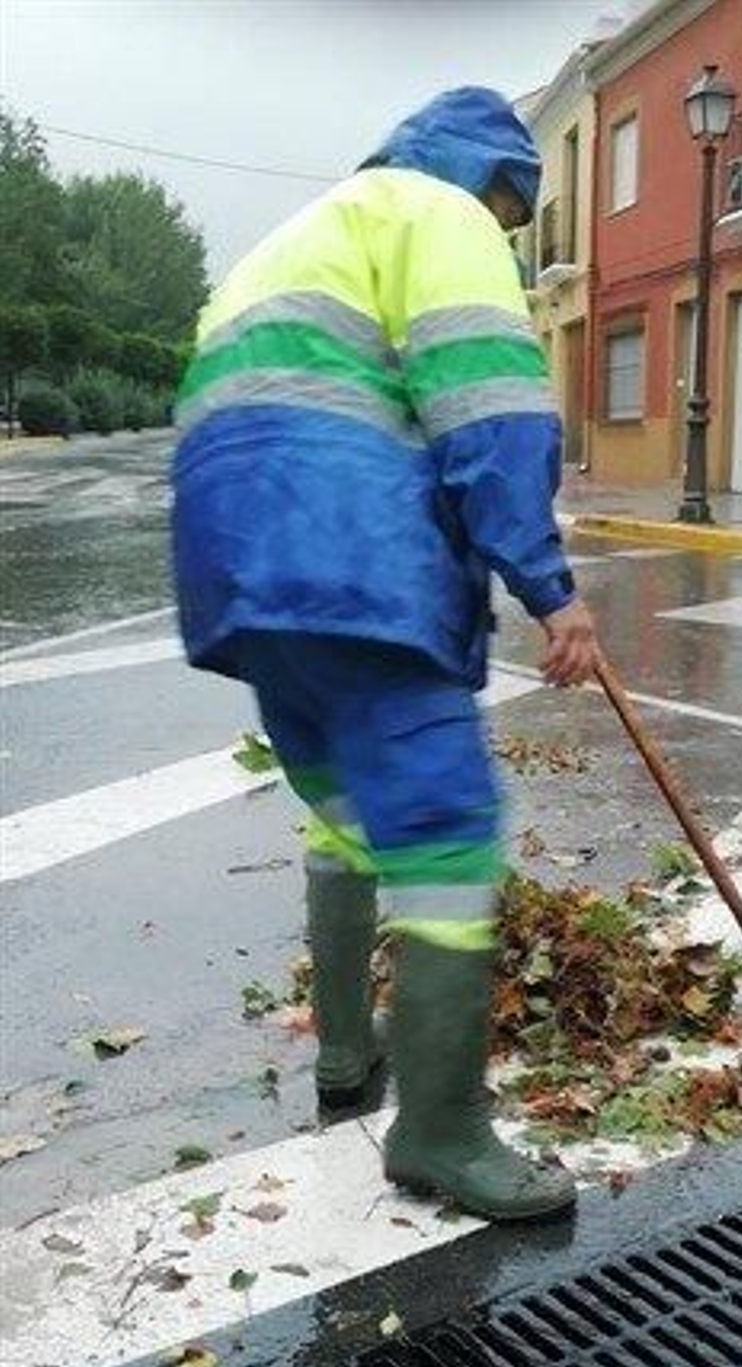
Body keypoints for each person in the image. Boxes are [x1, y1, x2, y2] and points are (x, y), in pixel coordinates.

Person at [170, 87, 597, 1222]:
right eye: (513, 207)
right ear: (491, 179)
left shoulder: (290, 242)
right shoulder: (437, 216)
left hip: (244, 578)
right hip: (354, 558)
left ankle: (348, 1058)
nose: (508, 232)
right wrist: (549, 588)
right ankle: (442, 1130)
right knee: (447, 833)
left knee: (348, 812)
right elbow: (490, 405)